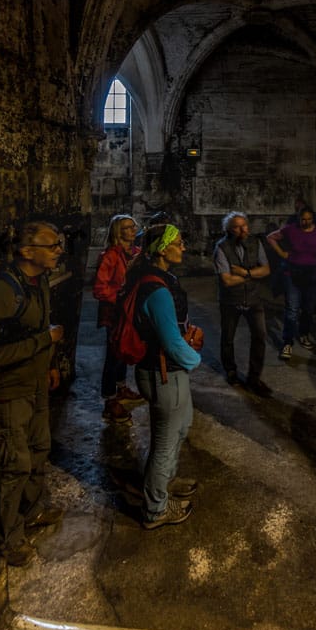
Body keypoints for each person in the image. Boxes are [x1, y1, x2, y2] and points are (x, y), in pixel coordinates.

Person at [0, 221, 67, 566]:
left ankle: (31, 512)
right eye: (52, 245)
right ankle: (8, 538)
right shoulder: (2, 291)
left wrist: (49, 363)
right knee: (14, 466)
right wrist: (45, 342)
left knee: (39, 448)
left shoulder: (39, 281)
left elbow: (41, 327)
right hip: (8, 392)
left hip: (34, 383)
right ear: (27, 252)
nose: (59, 250)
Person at [124, 223, 203, 529]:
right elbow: (171, 342)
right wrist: (195, 361)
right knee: (164, 444)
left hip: (168, 372)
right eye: (178, 243)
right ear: (161, 249)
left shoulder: (160, 279)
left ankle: (165, 482)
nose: (183, 247)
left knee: (182, 427)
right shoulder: (156, 290)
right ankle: (155, 509)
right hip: (164, 375)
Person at [213, 211, 273, 397]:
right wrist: (254, 274)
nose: (244, 229)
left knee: (259, 337)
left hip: (254, 299)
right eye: (238, 227)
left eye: (245, 225)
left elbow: (266, 270)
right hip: (231, 301)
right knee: (228, 337)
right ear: (229, 230)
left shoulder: (256, 243)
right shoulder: (221, 248)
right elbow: (227, 281)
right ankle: (231, 370)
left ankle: (254, 378)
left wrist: (244, 273)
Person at [93, 214, 145, 425]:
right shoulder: (110, 256)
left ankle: (121, 387)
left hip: (129, 311)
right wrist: (120, 298)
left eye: (134, 227)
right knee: (113, 356)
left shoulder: (136, 253)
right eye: (128, 227)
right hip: (115, 312)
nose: (133, 230)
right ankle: (109, 400)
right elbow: (99, 289)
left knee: (124, 350)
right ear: (118, 231)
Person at [266, 207, 316, 359]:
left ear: (312, 218)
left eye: (308, 219)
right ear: (299, 218)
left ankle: (304, 335)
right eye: (303, 219)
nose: (305, 222)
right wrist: (282, 253)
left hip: (312, 275)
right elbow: (270, 237)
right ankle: (287, 342)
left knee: (308, 308)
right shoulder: (290, 229)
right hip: (292, 274)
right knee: (292, 309)